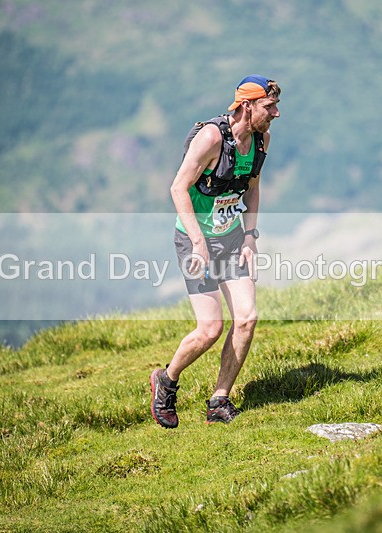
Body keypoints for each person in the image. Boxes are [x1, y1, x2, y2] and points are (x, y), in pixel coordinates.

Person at [150, 75, 281, 428]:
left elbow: (251, 188)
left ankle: (219, 400)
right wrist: (197, 240)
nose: (276, 114)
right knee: (210, 329)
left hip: (233, 239)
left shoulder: (261, 139)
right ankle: (167, 380)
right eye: (269, 107)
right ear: (246, 106)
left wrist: (251, 236)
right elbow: (178, 187)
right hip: (196, 242)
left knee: (248, 318)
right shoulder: (212, 138)